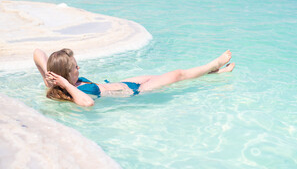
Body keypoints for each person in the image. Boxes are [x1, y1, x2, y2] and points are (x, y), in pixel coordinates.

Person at [33, 48, 235, 107]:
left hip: (126, 83)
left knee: (174, 76)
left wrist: (51, 75)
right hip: (136, 92)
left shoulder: (57, 83)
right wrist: (66, 84)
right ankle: (213, 65)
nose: (79, 67)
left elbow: (37, 52)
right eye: (75, 67)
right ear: (67, 76)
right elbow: (87, 104)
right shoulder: (72, 90)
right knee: (177, 75)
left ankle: (213, 73)